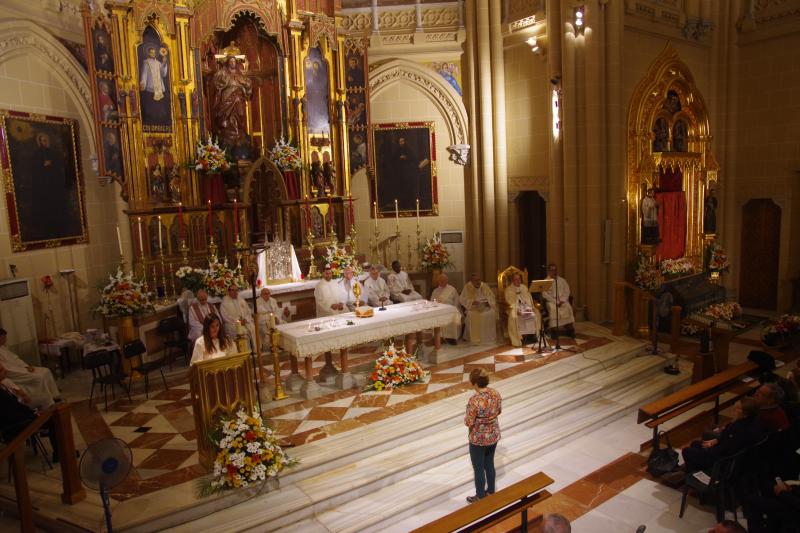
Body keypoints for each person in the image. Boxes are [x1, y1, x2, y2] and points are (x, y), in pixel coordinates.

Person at [681, 397, 764, 472]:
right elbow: (726, 439)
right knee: (695, 444)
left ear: (744, 413)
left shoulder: (738, 429)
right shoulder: (753, 421)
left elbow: (724, 450)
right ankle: (694, 467)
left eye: (736, 409)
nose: (733, 410)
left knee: (686, 451)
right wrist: (716, 440)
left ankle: (695, 472)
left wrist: (709, 449)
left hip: (721, 461)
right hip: (725, 451)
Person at [0, 366, 59, 463]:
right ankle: (59, 453)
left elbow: (16, 408)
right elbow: (11, 415)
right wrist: (34, 416)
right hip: (16, 426)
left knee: (53, 413)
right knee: (54, 419)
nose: (5, 371)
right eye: (1, 370)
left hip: (22, 419)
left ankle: (59, 451)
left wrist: (34, 413)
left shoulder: (3, 385)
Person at [464, 368, 501, 503]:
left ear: (475, 384)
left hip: (478, 439)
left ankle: (480, 496)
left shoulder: (474, 400)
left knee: (478, 468)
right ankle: (491, 491)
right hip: (493, 435)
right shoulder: (495, 394)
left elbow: (468, 422)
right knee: (489, 464)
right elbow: (499, 411)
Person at [0, 328, 60, 407]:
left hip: (20, 368)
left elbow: (15, 359)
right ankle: (46, 400)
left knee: (46, 370)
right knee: (39, 377)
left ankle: (53, 395)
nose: (6, 340)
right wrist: (24, 371)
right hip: (15, 374)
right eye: (3, 338)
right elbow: (7, 369)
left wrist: (26, 366)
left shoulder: (3, 348)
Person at [212, 54, 253, 148]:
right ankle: (227, 133)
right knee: (227, 116)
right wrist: (226, 82)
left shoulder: (240, 73)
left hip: (239, 98)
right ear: (227, 63)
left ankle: (239, 132)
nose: (232, 63)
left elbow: (248, 84)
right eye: (230, 61)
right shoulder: (222, 72)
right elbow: (216, 82)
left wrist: (244, 84)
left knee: (240, 115)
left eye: (234, 61)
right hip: (227, 98)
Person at [459, 273, 497, 345]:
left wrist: (488, 301)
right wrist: (472, 302)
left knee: (491, 313)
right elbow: (461, 299)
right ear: (472, 281)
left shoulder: (485, 286)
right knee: (471, 315)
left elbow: (492, 296)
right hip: (473, 308)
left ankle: (488, 338)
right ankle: (474, 338)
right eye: (476, 280)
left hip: (485, 307)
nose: (478, 282)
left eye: (479, 280)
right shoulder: (467, 287)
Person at [504, 273, 540, 347]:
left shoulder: (524, 287)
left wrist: (529, 308)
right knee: (515, 317)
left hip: (526, 307)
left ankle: (532, 335)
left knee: (536, 313)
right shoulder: (508, 289)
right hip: (514, 308)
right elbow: (509, 301)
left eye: (519, 279)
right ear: (512, 280)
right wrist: (517, 310)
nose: (518, 281)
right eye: (515, 279)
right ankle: (520, 338)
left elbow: (529, 299)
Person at [139, 45, 170, 126]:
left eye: (154, 52)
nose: (153, 54)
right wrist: (143, 83)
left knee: (160, 110)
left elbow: (163, 74)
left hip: (159, 89)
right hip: (151, 89)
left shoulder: (158, 63)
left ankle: (160, 122)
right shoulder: (146, 62)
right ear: (148, 53)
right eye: (151, 52)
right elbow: (144, 74)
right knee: (151, 109)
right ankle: (151, 122)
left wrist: (164, 63)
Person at [543, 264, 576, 339]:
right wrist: (555, 301)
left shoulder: (562, 280)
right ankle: (554, 330)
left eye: (555, 270)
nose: (553, 272)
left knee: (567, 307)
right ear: (548, 271)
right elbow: (544, 294)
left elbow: (567, 291)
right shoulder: (545, 281)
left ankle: (570, 329)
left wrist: (562, 300)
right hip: (551, 302)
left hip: (562, 300)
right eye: (551, 270)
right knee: (553, 309)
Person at [219, 284, 255, 350]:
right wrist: (238, 321)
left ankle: (255, 350)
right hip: (232, 324)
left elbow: (248, 312)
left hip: (244, 322)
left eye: (236, 290)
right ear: (229, 291)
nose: (235, 292)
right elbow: (226, 317)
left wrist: (245, 319)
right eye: (233, 290)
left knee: (253, 328)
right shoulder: (224, 302)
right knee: (242, 331)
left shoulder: (241, 300)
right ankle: (244, 351)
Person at [431, 273, 460, 345]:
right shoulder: (435, 291)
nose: (442, 282)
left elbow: (457, 301)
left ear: (447, 281)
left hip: (451, 310)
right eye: (440, 281)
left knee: (451, 316)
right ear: (438, 282)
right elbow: (432, 302)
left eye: (444, 280)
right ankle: (439, 337)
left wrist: (454, 309)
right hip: (439, 311)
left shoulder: (452, 289)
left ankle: (451, 338)